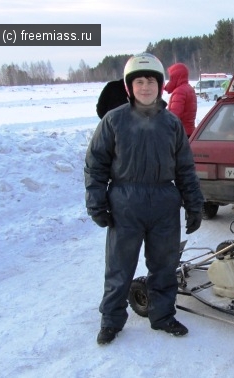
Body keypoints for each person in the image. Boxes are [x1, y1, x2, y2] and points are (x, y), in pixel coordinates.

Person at [84, 52, 204, 345]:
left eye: (151, 81)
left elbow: (185, 168)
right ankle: (111, 320)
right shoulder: (113, 122)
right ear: (130, 87)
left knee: (164, 265)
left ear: (160, 84)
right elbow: (96, 165)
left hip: (164, 200)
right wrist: (96, 202)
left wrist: (194, 204)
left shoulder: (172, 124)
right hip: (125, 202)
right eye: (139, 81)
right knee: (119, 266)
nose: (146, 87)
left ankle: (162, 316)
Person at [164, 63, 197, 137]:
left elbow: (174, 116)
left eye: (171, 77)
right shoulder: (189, 89)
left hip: (181, 133)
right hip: (189, 131)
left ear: (176, 76)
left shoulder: (179, 91)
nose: (170, 80)